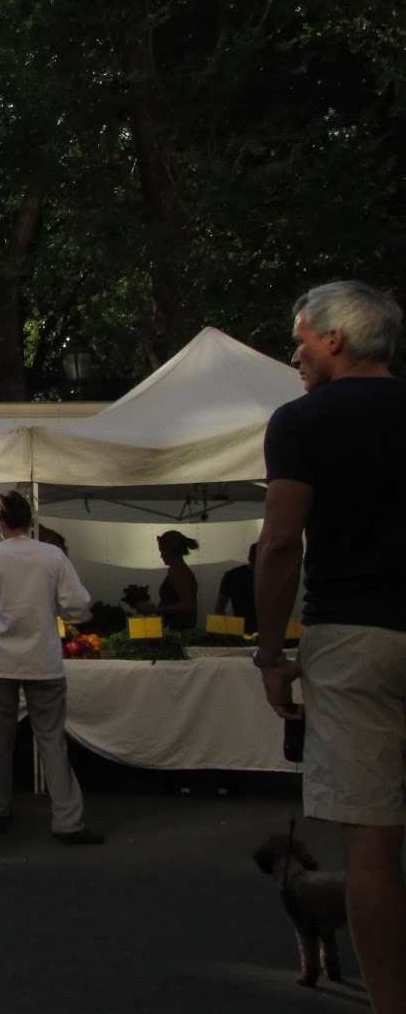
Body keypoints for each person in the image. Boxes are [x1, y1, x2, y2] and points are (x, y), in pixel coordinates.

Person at [255, 279, 406, 1014]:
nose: (295, 353)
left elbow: (282, 541)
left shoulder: (301, 421)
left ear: (336, 338)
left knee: (373, 843)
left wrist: (270, 653)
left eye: (301, 338)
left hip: (352, 635)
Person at [0, 489, 103, 845]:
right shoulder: (52, 555)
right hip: (45, 660)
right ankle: (68, 820)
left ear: (2, 523)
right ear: (30, 521)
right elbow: (77, 603)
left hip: (1, 660)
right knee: (52, 740)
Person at [141, 529, 199, 631]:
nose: (161, 556)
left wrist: (156, 609)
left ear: (170, 551)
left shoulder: (180, 573)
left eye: (162, 552)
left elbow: (187, 604)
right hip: (174, 627)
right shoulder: (176, 570)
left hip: (179, 629)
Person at [214, 543, 258, 634]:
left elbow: (220, 608)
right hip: (243, 631)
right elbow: (219, 608)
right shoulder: (233, 576)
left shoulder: (233, 576)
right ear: (250, 559)